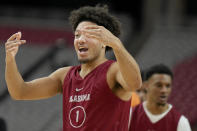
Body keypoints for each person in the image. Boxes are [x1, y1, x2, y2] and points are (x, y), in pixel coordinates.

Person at [5, 4, 142, 131]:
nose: (81, 39)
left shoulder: (114, 70)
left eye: (89, 35)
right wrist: (10, 60)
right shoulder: (64, 75)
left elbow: (135, 84)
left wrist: (117, 45)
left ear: (104, 42)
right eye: (77, 35)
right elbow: (20, 92)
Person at [129, 64, 191, 131]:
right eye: (159, 85)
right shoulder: (130, 115)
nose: (164, 90)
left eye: (168, 86)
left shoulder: (181, 122)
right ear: (146, 86)